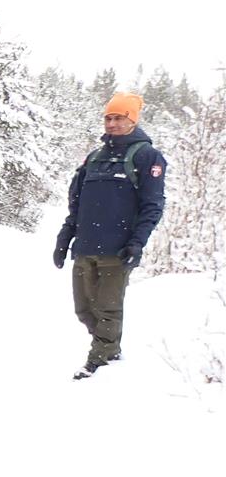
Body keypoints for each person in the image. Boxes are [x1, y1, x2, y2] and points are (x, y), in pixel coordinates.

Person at [54, 92, 167, 379]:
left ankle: (101, 358)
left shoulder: (146, 156)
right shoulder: (94, 158)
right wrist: (64, 238)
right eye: (108, 118)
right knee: (83, 309)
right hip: (85, 246)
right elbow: (76, 203)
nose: (112, 123)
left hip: (117, 250)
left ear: (132, 120)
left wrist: (136, 243)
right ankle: (109, 346)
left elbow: (152, 206)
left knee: (108, 309)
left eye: (119, 118)